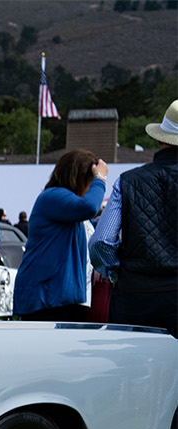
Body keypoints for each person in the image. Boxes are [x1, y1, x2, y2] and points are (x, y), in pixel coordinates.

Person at [91, 99, 178, 335]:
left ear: (161, 139)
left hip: (135, 296)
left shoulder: (128, 180)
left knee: (131, 369)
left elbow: (101, 241)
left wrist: (115, 271)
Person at [12, 149, 108, 322]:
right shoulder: (52, 196)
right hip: (45, 298)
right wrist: (100, 179)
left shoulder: (66, 206)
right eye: (89, 180)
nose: (90, 187)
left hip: (59, 298)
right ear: (77, 177)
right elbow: (88, 207)